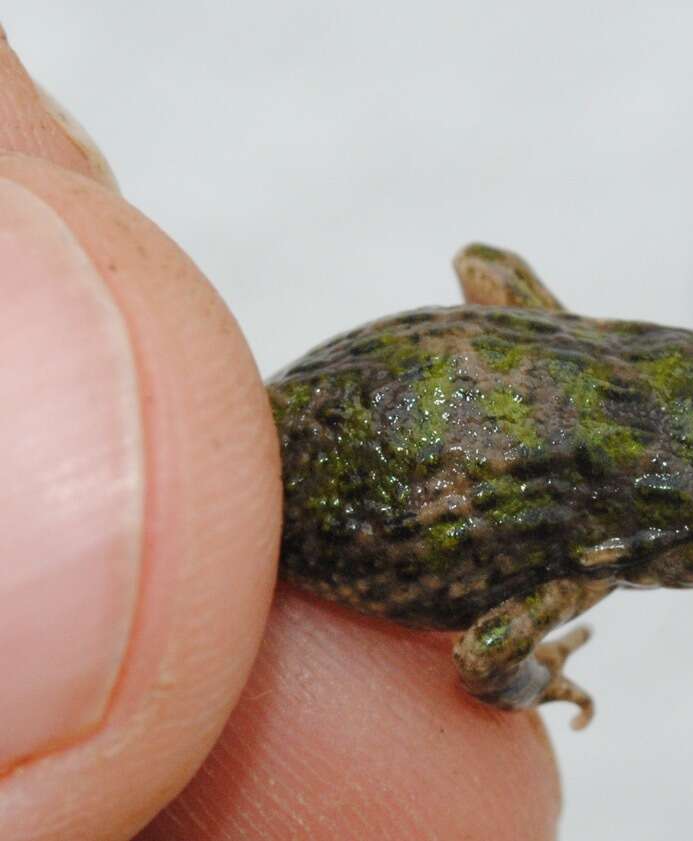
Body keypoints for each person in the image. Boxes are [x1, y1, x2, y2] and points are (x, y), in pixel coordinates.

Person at [0, 27, 560, 840]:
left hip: (315, 414)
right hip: (305, 522)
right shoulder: (585, 565)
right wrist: (538, 675)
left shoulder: (551, 325)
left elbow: (483, 262)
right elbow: (482, 659)